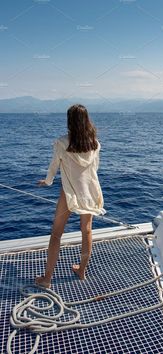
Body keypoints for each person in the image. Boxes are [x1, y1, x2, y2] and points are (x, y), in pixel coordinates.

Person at [35, 104, 105, 288]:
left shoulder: (62, 142)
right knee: (86, 231)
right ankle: (81, 270)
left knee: (56, 234)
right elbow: (94, 168)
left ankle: (47, 279)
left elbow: (53, 167)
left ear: (70, 121)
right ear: (87, 121)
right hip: (90, 191)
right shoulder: (95, 144)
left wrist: (48, 181)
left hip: (69, 193)